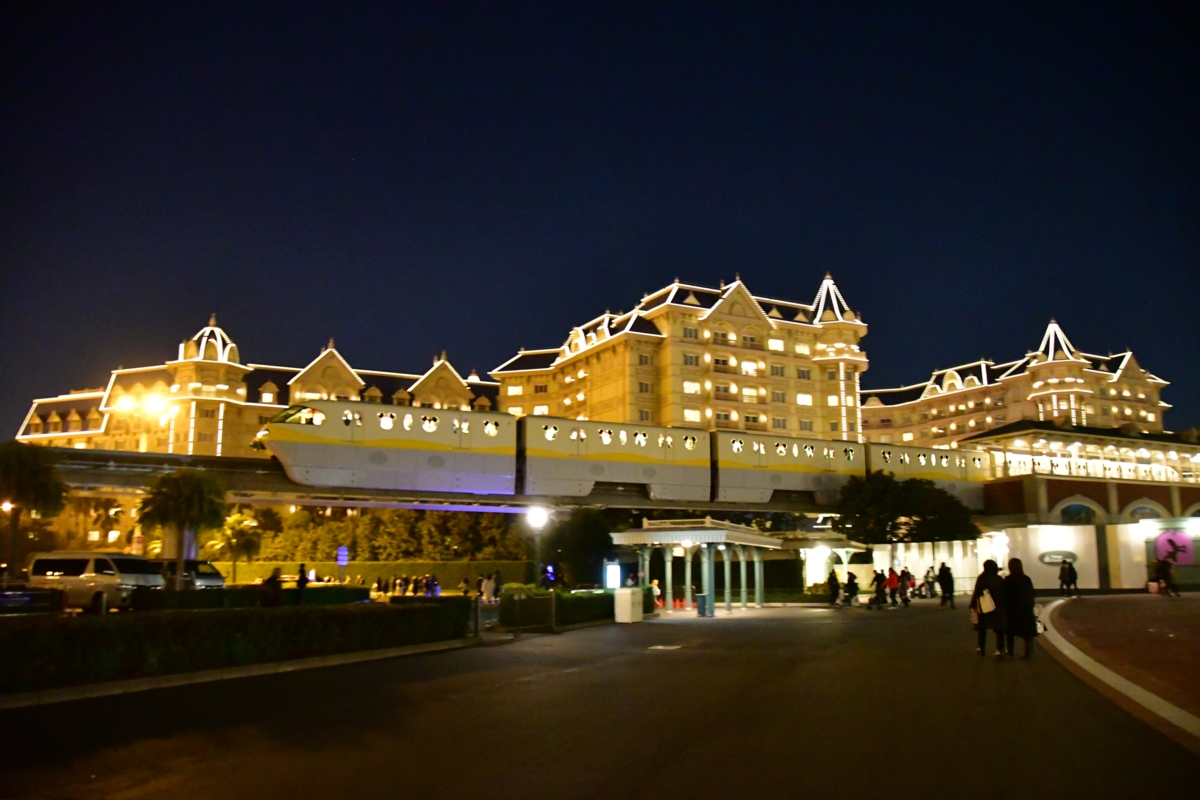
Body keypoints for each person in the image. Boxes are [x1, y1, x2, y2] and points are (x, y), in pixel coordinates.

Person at [971, 559, 1008, 659]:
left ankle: (981, 647)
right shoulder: (998, 578)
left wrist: (973, 604)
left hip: (984, 607)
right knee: (999, 628)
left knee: (982, 628)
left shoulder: (981, 578)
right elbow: (1004, 592)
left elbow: (977, 592)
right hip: (998, 606)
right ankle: (999, 649)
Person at [1002, 558, 1037, 659]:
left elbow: (1005, 594)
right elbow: (1031, 593)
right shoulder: (1026, 579)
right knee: (1027, 631)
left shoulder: (1008, 579)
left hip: (1012, 609)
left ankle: (1010, 651)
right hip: (1026, 608)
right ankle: (1028, 651)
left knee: (1010, 631)